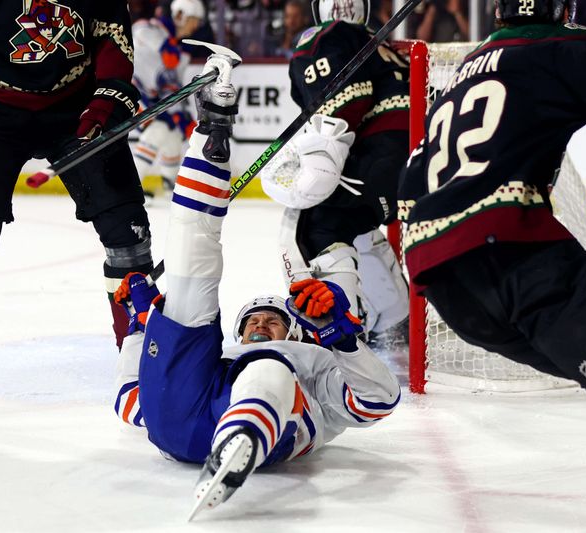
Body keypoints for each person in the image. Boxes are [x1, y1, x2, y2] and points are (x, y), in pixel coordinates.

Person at [398, 1, 586, 530]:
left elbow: (410, 189)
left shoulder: (462, 74)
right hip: (515, 255)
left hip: (447, 287)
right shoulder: (562, 48)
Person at [112, 51, 400, 517]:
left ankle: (236, 446)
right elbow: (133, 402)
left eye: (273, 321)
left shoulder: (312, 362)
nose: (263, 325)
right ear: (238, 332)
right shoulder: (221, 355)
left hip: (261, 427)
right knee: (189, 273)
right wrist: (144, 328)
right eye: (255, 322)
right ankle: (212, 127)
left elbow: (378, 402)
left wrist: (341, 340)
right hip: (180, 417)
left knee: (270, 371)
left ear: (295, 332)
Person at [0, 0, 152, 426]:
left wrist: (109, 93)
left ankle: (142, 360)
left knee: (127, 234)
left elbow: (111, 31)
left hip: (78, 106)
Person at [263, 0, 411, 347]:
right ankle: (395, 320)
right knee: (356, 224)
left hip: (381, 160)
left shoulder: (324, 37)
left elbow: (339, 110)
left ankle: (338, 333)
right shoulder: (382, 43)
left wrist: (321, 155)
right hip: (412, 164)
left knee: (310, 224)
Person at [131, 0, 205, 193]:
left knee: (173, 131)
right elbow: (137, 31)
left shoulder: (180, 53)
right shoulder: (153, 29)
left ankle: (169, 181)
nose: (196, 25)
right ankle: (132, 186)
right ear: (180, 15)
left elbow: (172, 87)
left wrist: (182, 115)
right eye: (194, 19)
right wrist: (162, 44)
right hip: (129, 92)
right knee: (159, 129)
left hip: (151, 99)